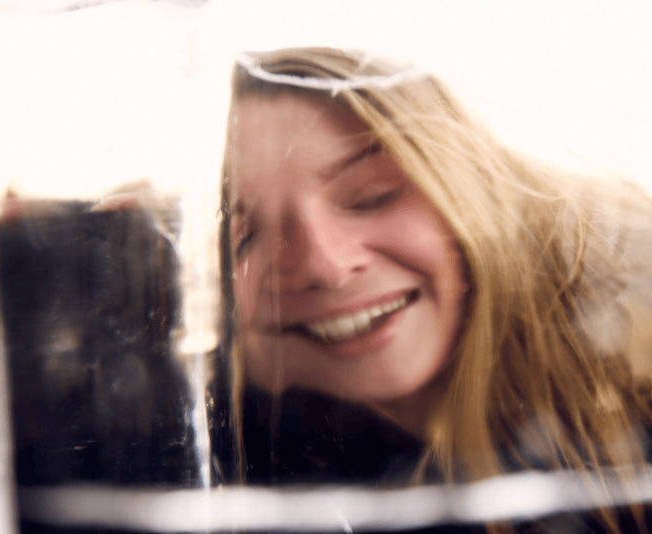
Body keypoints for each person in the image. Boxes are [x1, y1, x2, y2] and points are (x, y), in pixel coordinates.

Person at [217, 47, 652, 532]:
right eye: (242, 238)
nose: (327, 266)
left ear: (465, 184)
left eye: (370, 196)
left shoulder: (634, 355)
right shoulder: (215, 469)